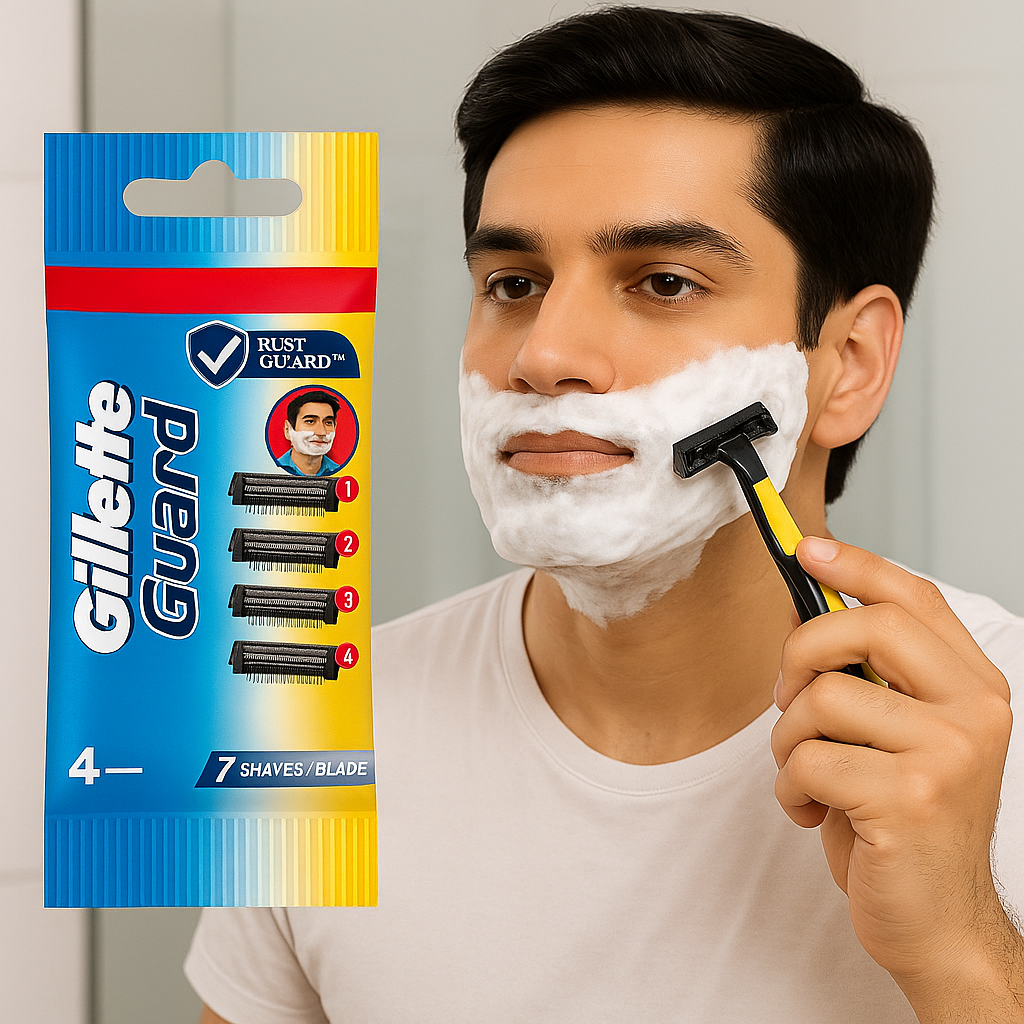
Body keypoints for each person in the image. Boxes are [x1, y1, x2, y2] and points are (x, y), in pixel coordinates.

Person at [187, 9, 1024, 1022]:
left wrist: (959, 948)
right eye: (512, 283)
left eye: (664, 282)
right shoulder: (322, 731)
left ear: (846, 365)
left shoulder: (1000, 735)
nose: (542, 354)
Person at [275, 390, 342, 477]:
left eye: (328, 423)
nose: (321, 432)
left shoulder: (341, 473)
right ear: (288, 430)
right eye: (310, 421)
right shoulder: (270, 469)